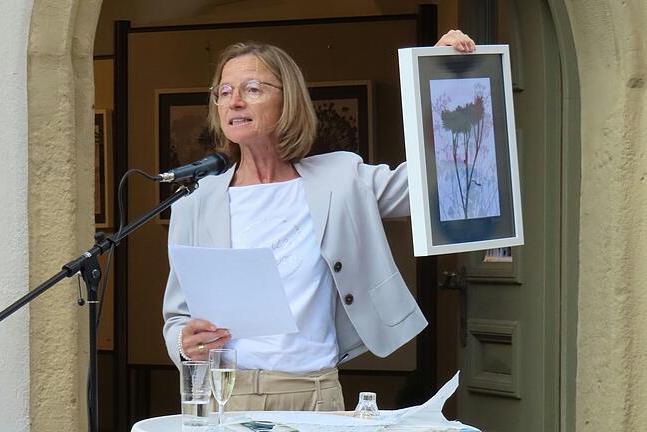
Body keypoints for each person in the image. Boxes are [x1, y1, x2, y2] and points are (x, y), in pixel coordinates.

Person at [163, 31, 476, 412]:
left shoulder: (341, 178)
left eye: (253, 89)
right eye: (224, 92)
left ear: (288, 100)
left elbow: (439, 182)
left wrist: (443, 75)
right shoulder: (196, 202)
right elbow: (178, 314)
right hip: (224, 394)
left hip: (315, 393)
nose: (235, 101)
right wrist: (183, 342)